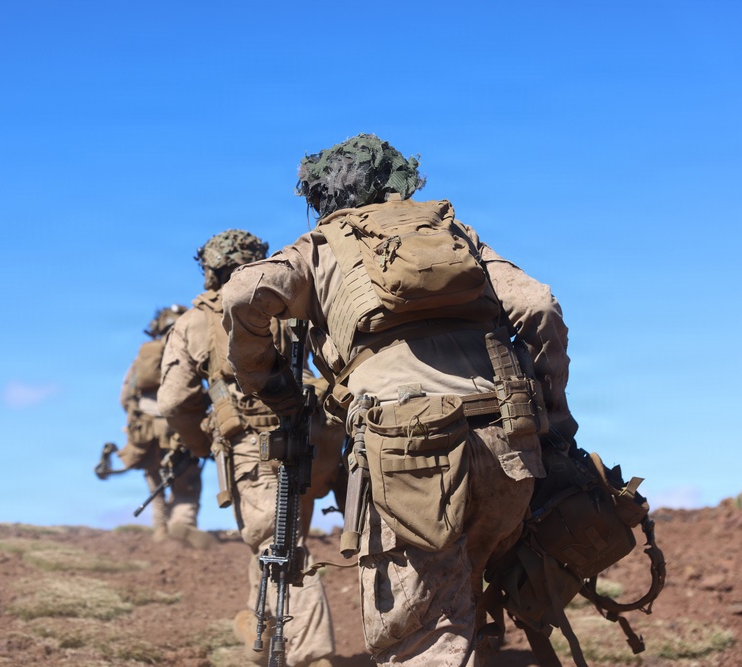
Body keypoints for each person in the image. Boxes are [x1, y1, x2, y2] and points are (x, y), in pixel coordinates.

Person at [221, 134, 578, 666]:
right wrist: (553, 417)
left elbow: (242, 295)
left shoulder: (318, 247)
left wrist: (269, 384)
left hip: (411, 454)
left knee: (422, 635)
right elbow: (538, 306)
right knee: (465, 593)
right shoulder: (455, 234)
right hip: (507, 446)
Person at [158, 230, 335, 667]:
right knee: (276, 538)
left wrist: (202, 443)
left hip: (249, 448)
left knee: (280, 544)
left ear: (209, 270)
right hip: (308, 438)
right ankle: (260, 638)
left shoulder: (194, 322)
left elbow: (174, 401)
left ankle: (311, 657)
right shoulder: (288, 306)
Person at [113, 305, 212, 548]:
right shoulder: (190, 351)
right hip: (181, 428)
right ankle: (182, 524)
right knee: (186, 483)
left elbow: (125, 397)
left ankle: (160, 530)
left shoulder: (143, 358)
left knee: (154, 480)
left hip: (146, 431)